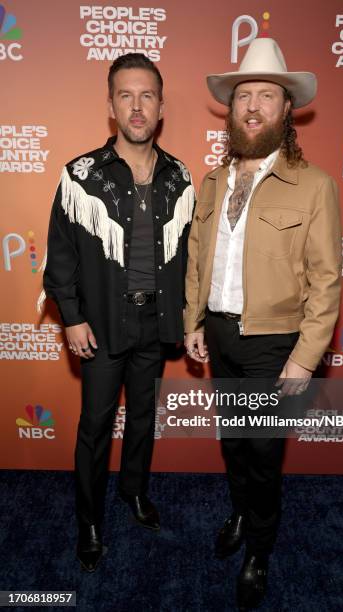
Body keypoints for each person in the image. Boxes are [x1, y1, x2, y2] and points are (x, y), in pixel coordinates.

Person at [184, 37, 342, 609]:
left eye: (266, 96)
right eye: (243, 95)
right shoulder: (212, 181)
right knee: (233, 441)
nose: (252, 105)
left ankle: (260, 548)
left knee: (264, 449)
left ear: (286, 110)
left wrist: (305, 356)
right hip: (222, 335)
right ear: (231, 107)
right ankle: (241, 510)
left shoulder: (316, 185)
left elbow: (326, 282)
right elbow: (200, 258)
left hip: (275, 343)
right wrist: (194, 321)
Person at [41, 53, 194, 572]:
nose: (136, 106)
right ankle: (88, 520)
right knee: (95, 426)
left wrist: (189, 317)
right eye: (125, 96)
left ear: (161, 107)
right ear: (111, 106)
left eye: (146, 95)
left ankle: (133, 492)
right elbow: (60, 254)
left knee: (145, 419)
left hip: (155, 322)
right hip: (102, 324)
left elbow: (191, 258)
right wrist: (72, 316)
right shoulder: (80, 175)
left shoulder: (180, 176)